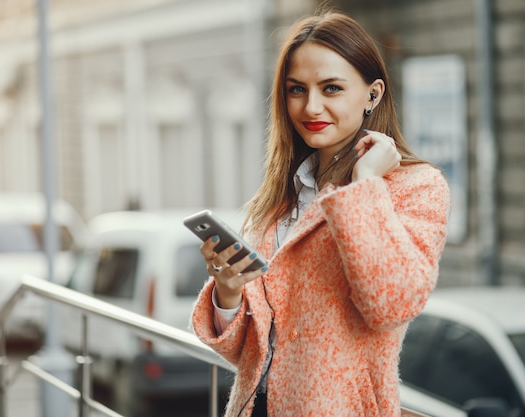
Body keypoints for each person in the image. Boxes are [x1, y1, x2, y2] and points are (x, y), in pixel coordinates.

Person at [191, 10, 450, 417]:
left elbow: (391, 304)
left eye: (331, 88)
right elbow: (249, 352)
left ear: (373, 94)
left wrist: (364, 184)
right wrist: (228, 289)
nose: (311, 106)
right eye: (297, 89)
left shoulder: (416, 186)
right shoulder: (282, 194)